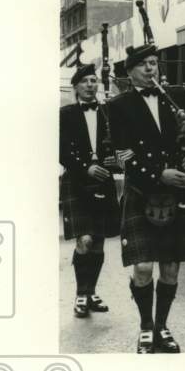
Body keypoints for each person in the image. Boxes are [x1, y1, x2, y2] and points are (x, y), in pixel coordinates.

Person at [108, 43, 185, 354]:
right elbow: (122, 152)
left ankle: (163, 326)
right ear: (130, 71)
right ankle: (145, 326)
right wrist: (158, 173)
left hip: (175, 195)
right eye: (144, 64)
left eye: (154, 63)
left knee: (171, 269)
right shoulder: (118, 105)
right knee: (143, 269)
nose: (151, 69)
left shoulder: (173, 97)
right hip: (143, 191)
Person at [59, 63, 120, 319]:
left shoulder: (108, 113)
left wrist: (116, 160)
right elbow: (61, 151)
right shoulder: (65, 114)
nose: (90, 85)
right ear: (76, 87)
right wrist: (87, 168)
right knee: (84, 241)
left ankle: (92, 292)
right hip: (77, 181)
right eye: (85, 81)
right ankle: (80, 295)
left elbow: (121, 144)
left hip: (104, 181)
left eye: (93, 81)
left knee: (98, 242)